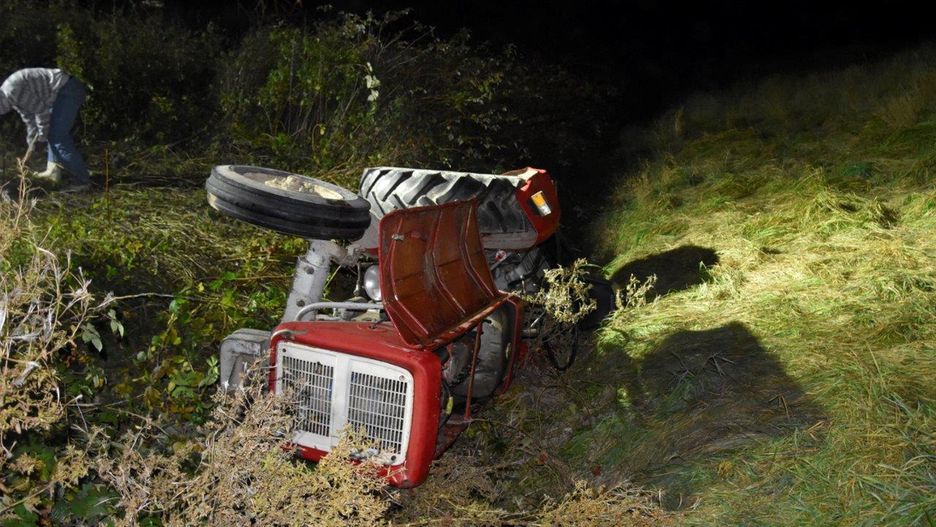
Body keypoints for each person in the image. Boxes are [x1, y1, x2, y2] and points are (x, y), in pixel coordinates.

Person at [0, 67, 92, 191]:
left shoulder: (12, 92)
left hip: (67, 90)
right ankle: (53, 171)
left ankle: (82, 181)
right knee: (52, 133)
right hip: (60, 92)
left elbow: (41, 112)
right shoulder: (10, 95)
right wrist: (31, 144)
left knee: (58, 137)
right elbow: (29, 118)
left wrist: (42, 138)